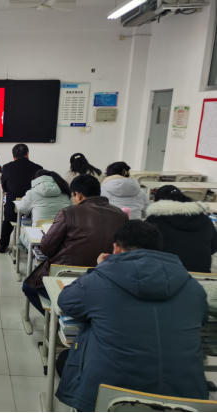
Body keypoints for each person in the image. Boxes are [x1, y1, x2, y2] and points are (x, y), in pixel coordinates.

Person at [56, 221, 209, 412]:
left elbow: (66, 302)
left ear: (116, 248)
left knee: (65, 359)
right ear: (158, 248)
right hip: (186, 401)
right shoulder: (193, 286)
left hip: (109, 397)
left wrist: (99, 269)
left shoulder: (98, 280)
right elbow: (202, 319)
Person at [22, 174, 129, 315]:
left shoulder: (68, 212)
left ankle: (57, 322)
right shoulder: (121, 215)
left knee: (28, 287)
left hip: (66, 274)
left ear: (77, 195)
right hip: (106, 276)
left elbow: (46, 248)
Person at [146, 185, 217, 273]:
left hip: (167, 273)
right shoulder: (205, 219)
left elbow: (143, 249)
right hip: (201, 274)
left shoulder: (153, 220)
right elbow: (214, 246)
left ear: (157, 201)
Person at [0, 144, 43, 253]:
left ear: (13, 156)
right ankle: (34, 246)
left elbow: (4, 187)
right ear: (27, 154)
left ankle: (2, 244)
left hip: (13, 205)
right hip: (33, 205)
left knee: (8, 221)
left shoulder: (7, 167)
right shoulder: (38, 168)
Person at [17, 169, 73, 252]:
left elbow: (21, 209)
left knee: (21, 239)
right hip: (62, 235)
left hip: (39, 236)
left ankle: (33, 255)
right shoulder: (66, 191)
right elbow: (72, 209)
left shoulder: (31, 193)